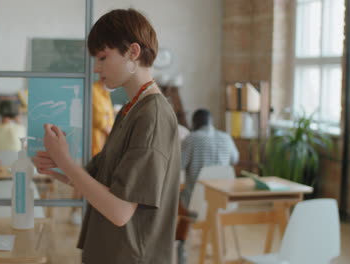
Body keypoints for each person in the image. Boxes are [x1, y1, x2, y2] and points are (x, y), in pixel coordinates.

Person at [33, 9, 180, 264]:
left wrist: (65, 161)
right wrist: (56, 167)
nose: (97, 68)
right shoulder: (130, 109)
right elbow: (97, 182)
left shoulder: (152, 116)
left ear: (133, 52)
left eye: (102, 57)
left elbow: (120, 211)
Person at [176, 108, 239, 264]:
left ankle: (180, 245)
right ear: (211, 121)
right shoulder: (226, 137)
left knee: (174, 201)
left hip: (195, 203)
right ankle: (218, 242)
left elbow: (179, 165)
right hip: (224, 202)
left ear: (194, 123)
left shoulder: (191, 139)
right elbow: (234, 160)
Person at [71, 80, 115, 225]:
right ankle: (75, 212)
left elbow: (109, 118)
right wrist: (110, 128)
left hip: (102, 145)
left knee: (92, 181)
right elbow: (99, 120)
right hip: (91, 144)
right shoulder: (94, 91)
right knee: (84, 179)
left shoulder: (105, 94)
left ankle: (85, 212)